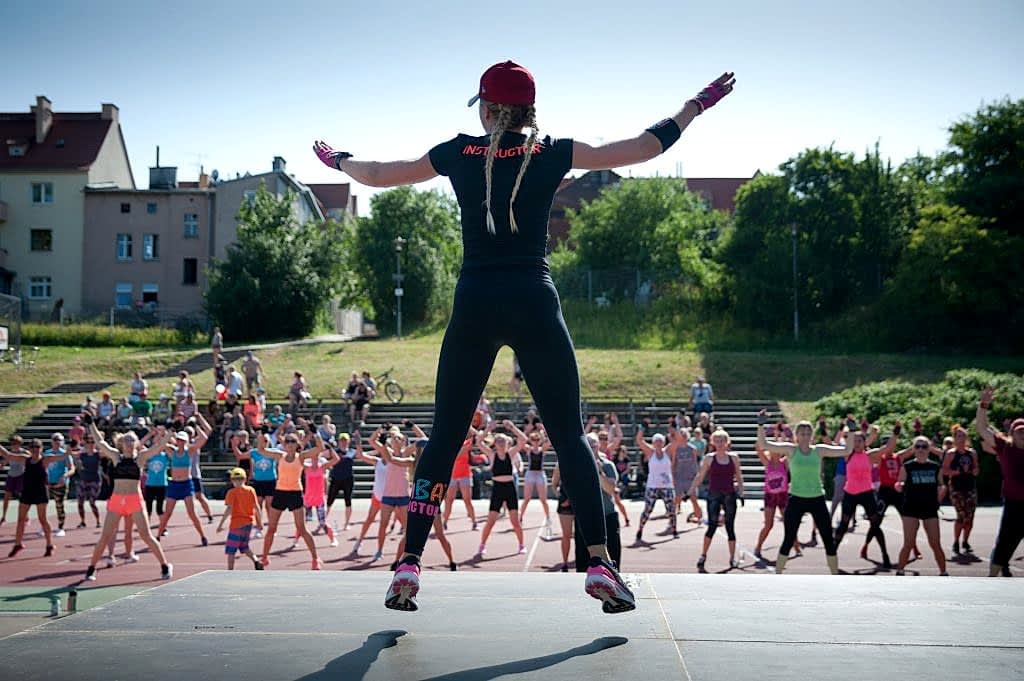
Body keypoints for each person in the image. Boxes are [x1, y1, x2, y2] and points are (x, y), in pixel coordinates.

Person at [315, 60, 734, 613]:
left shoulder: (457, 152)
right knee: (569, 436)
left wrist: (336, 159)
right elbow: (645, 147)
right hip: (535, 300)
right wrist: (696, 105)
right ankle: (599, 562)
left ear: (487, 109)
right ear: (530, 112)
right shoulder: (553, 151)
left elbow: (375, 174)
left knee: (444, 437)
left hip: (475, 304)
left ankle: (410, 563)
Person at [756, 412, 853, 575]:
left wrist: (851, 431)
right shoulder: (791, 450)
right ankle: (777, 574)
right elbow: (765, 445)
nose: (806, 436)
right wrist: (760, 425)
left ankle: (835, 574)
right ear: (796, 435)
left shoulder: (819, 450)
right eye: (802, 433)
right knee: (788, 539)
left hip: (817, 498)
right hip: (796, 499)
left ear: (812, 435)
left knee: (828, 539)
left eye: (808, 433)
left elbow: (847, 450)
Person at [82, 423, 174, 581]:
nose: (129, 442)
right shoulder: (116, 456)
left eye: (132, 439)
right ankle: (91, 568)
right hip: (117, 501)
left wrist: (172, 430)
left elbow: (159, 447)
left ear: (137, 443)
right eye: (126, 439)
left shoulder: (141, 457)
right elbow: (99, 442)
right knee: (105, 536)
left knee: (146, 535)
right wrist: (91, 424)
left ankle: (165, 566)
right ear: (121, 443)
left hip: (134, 501)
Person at [255, 431, 325, 569]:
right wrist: (262, 434)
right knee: (271, 528)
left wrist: (315, 431)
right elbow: (261, 449)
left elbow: (320, 448)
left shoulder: (301, 457)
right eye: (287, 442)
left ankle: (316, 559)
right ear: (284, 444)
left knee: (302, 528)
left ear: (297, 444)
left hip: (295, 494)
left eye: (293, 442)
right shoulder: (279, 455)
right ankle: (264, 557)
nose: (290, 444)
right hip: (280, 493)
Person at [833, 426, 900, 569]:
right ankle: (832, 554)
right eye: (854, 441)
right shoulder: (847, 455)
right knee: (843, 525)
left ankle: (885, 555)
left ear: (864, 443)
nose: (857, 444)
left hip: (866, 494)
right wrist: (847, 427)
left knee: (875, 525)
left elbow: (888, 447)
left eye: (859, 441)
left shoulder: (870, 456)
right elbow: (835, 443)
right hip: (850, 494)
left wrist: (895, 433)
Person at [976, 387, 1024, 577]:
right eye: (1019, 430)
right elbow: (982, 428)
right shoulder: (1005, 447)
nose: (1023, 432)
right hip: (1014, 504)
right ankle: (991, 580)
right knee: (1004, 543)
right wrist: (984, 405)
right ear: (1012, 433)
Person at [689, 428, 745, 570]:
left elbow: (738, 476)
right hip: (714, 494)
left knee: (730, 527)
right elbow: (700, 475)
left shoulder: (734, 457)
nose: (720, 443)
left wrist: (742, 492)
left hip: (729, 495)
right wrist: (691, 489)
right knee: (712, 526)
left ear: (727, 442)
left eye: (722, 441)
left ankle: (732, 558)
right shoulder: (709, 458)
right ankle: (703, 555)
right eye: (717, 441)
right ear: (713, 442)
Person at [894, 436, 948, 576]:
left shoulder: (935, 467)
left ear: (929, 449)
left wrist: (942, 490)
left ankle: (943, 572)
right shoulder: (907, 466)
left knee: (935, 543)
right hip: (911, 507)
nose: (921, 449)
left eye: (924, 446)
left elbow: (942, 484)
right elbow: (899, 482)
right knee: (909, 542)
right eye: (917, 447)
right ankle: (900, 571)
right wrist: (899, 486)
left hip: (929, 508)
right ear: (913, 450)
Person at [2, 438, 62, 556]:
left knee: (42, 519)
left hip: (40, 492)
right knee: (21, 519)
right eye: (32, 447)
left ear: (41, 449)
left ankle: (49, 545)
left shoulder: (45, 460)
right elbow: (8, 455)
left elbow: (62, 456)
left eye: (37, 447)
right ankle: (18, 544)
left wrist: (70, 451)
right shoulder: (25, 459)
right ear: (29, 449)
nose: (35, 449)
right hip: (27, 491)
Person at [476, 422, 527, 557]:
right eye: (498, 441)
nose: (501, 443)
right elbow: (478, 442)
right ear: (495, 443)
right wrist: (489, 428)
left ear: (507, 443)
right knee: (491, 521)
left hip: (510, 488)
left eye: (503, 441)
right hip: (498, 489)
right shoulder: (492, 454)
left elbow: (523, 440)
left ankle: (521, 545)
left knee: (515, 521)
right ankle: (482, 545)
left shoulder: (511, 454)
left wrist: (512, 427)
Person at [154, 428, 209, 545]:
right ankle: (158, 536)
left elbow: (204, 438)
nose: (180, 442)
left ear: (186, 441)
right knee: (167, 513)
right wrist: (169, 432)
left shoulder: (189, 451)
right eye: (179, 440)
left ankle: (203, 536)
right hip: (174, 485)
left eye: (183, 440)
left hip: (186, 485)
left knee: (192, 513)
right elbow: (160, 443)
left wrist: (196, 427)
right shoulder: (172, 451)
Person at [216, 467, 264, 570]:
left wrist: (220, 525)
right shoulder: (251, 490)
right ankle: (256, 560)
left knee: (231, 549)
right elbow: (257, 507)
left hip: (236, 524)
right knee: (244, 546)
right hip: (248, 523)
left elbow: (229, 509)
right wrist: (260, 522)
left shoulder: (231, 492)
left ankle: (230, 571)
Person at [634, 428, 677, 542]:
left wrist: (673, 429)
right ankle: (640, 529)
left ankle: (674, 529)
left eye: (660, 441)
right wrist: (643, 427)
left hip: (667, 485)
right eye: (656, 441)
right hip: (652, 485)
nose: (658, 443)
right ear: (653, 442)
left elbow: (677, 440)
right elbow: (639, 440)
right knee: (647, 510)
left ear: (663, 442)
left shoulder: (667, 451)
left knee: (671, 509)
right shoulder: (650, 452)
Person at [943, 425, 980, 556]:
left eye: (963, 436)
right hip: (956, 488)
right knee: (961, 516)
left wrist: (974, 471)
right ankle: (956, 541)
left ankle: (966, 541)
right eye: (958, 436)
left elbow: (976, 469)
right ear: (954, 438)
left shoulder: (972, 453)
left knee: (970, 517)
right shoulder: (951, 454)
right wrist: (956, 472)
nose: (961, 439)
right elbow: (944, 470)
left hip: (970, 487)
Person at [442, 429, 479, 531]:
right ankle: (444, 522)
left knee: (467, 500)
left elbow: (476, 436)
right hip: (452, 475)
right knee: (449, 500)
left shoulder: (467, 443)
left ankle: (474, 522)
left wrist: (468, 425)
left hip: (465, 475)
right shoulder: (449, 445)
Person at [517, 428, 552, 530]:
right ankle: (520, 517)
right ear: (530, 440)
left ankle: (548, 517)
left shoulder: (542, 449)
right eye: (533, 439)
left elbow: (549, 441)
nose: (535, 442)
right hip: (531, 474)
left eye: (537, 440)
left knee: (543, 499)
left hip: (540, 474)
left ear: (540, 440)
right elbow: (521, 441)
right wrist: (527, 431)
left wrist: (544, 431)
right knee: (526, 499)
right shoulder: (529, 449)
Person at [43, 433, 73, 537]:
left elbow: (72, 468)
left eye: (59, 440)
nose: (57, 442)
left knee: (59, 506)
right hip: (48, 483)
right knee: (43, 505)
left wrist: (65, 476)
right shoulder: (47, 453)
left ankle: (60, 527)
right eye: (55, 440)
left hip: (60, 484)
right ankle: (44, 527)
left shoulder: (65, 454)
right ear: (52, 441)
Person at [326, 433, 357, 532]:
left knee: (348, 501)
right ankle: (323, 522)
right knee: (329, 501)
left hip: (348, 479)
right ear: (338, 441)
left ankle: (347, 523)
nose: (343, 442)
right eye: (341, 440)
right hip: (335, 479)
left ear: (348, 441)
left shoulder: (352, 452)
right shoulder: (334, 451)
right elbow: (322, 455)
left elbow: (365, 454)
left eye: (345, 440)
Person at [73, 434, 103, 528]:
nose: (90, 444)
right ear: (85, 443)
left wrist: (100, 442)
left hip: (95, 480)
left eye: (92, 442)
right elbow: (70, 453)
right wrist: (75, 444)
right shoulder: (82, 454)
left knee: (92, 502)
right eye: (88, 442)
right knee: (80, 502)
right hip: (84, 480)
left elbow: (108, 452)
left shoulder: (98, 454)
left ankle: (98, 521)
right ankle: (82, 521)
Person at [0, 435, 27, 525]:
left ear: (20, 444)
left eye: (16, 443)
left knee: (21, 497)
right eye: (12, 443)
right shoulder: (10, 453)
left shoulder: (24, 452)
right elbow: (5, 461)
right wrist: (2, 465)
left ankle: (25, 517)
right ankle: (3, 517)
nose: (14, 445)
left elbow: (31, 460)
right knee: (7, 497)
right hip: (11, 476)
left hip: (21, 476)